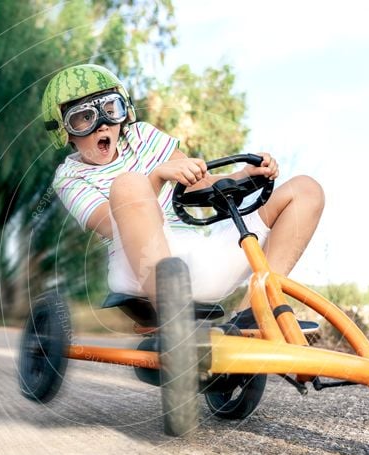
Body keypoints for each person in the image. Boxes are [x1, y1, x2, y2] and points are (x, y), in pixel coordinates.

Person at [42, 64, 324, 327]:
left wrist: (247, 174)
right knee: (128, 185)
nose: (102, 125)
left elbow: (201, 185)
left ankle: (256, 311)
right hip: (137, 267)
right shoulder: (69, 176)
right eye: (84, 118)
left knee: (305, 190)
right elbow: (111, 223)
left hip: (200, 257)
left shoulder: (142, 137)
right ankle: (170, 313)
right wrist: (156, 177)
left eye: (110, 110)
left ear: (123, 111)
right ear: (65, 131)